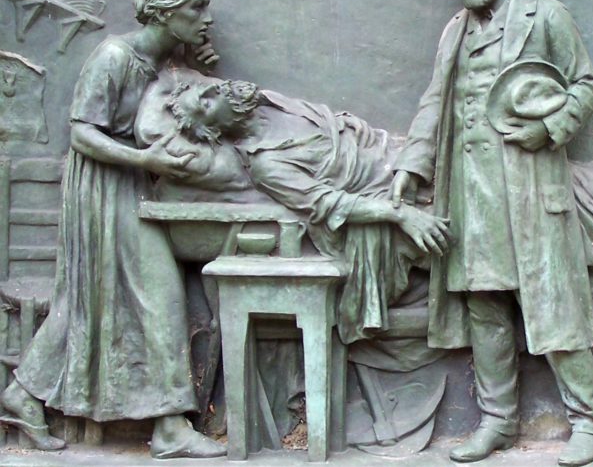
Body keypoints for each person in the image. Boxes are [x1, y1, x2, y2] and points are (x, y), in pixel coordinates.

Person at [388, 0, 593, 466]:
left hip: (530, 187)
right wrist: (412, 165)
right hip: (472, 192)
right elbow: (435, 101)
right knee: (485, 306)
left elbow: (585, 84)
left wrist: (549, 128)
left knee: (552, 305)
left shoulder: (548, 15)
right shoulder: (456, 29)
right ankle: (497, 422)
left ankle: (590, 421)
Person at [0, 0, 225, 458]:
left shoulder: (166, 59)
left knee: (92, 299)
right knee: (157, 295)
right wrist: (144, 160)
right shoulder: (114, 56)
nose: (206, 19)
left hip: (136, 182)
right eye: (196, 8)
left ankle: (22, 393)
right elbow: (82, 133)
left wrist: (200, 69)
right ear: (165, 13)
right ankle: (169, 427)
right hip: (105, 184)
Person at [157, 77, 450, 344]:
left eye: (207, 87)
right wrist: (401, 214)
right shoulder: (267, 166)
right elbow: (330, 204)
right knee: (464, 232)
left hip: (404, 160)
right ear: (213, 131)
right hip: (386, 203)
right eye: (205, 103)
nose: (214, 89)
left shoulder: (270, 101)